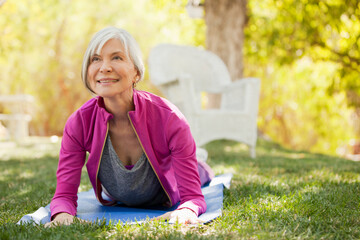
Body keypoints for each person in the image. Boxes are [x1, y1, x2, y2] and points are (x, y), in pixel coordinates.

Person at [45, 26, 214, 227]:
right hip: (123, 195)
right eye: (96, 59)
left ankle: (200, 160)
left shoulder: (170, 119)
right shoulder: (79, 123)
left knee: (199, 169)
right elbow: (63, 195)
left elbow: (193, 197)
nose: (104, 67)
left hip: (168, 189)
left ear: (136, 72)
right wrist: (63, 214)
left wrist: (187, 210)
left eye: (117, 58)